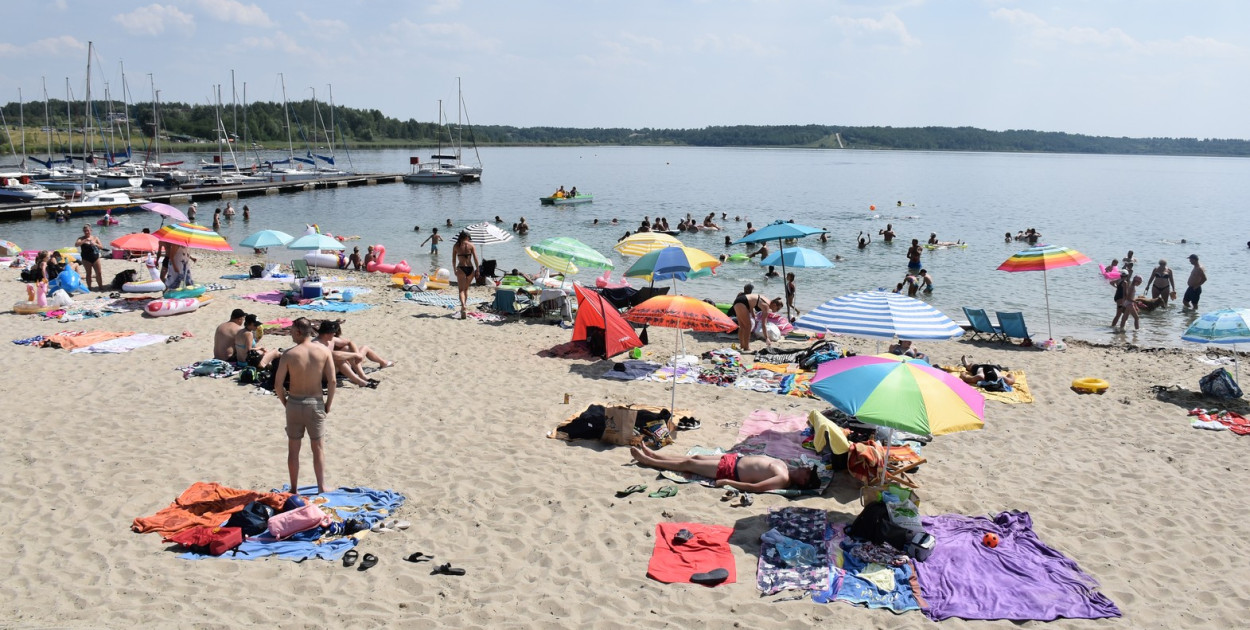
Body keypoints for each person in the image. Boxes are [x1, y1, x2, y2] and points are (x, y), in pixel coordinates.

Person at [275, 318, 336, 495]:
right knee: (317, 447)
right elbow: (332, 381)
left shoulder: (289, 354)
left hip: (294, 403)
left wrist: (285, 402)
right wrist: (328, 404)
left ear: (299, 332)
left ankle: (294, 488)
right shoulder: (324, 351)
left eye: (292, 332)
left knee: (293, 449)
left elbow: (278, 385)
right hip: (315, 403)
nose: (291, 335)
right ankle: (321, 486)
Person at [630, 445, 819, 493]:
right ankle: (656, 455)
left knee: (688, 465)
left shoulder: (783, 479)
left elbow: (756, 487)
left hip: (730, 471)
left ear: (803, 481)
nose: (806, 468)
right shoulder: (786, 467)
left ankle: (648, 461)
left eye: (807, 472)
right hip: (734, 459)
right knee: (695, 457)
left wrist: (728, 482)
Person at [314, 321, 382, 388]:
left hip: (333, 367)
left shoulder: (331, 339)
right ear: (326, 334)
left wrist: (357, 354)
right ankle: (360, 382)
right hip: (322, 373)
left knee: (347, 349)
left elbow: (349, 342)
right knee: (339, 359)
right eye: (332, 333)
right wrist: (355, 355)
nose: (334, 334)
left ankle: (362, 375)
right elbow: (333, 354)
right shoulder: (316, 344)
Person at [731, 283, 769, 352]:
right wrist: (752, 313)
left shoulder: (740, 294)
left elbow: (746, 304)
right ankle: (746, 347)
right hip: (742, 308)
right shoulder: (748, 295)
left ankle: (742, 345)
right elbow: (747, 304)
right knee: (748, 326)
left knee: (742, 326)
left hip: (737, 308)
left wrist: (752, 313)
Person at [452, 231, 479, 319]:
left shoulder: (456, 246)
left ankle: (463, 306)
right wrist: (477, 270)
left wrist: (454, 270)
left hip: (461, 268)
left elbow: (453, 260)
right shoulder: (471, 245)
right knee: (466, 289)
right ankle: (464, 306)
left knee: (461, 290)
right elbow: (475, 258)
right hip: (470, 269)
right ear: (467, 237)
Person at [75, 224, 104, 291]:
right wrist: (84, 241)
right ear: (83, 231)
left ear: (91, 230)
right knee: (88, 273)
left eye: (88, 231)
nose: (86, 232)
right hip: (86, 259)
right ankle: (90, 287)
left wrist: (95, 244)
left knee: (99, 273)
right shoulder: (81, 238)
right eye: (85, 231)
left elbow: (101, 247)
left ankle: (100, 286)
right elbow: (76, 244)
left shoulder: (95, 238)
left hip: (95, 257)